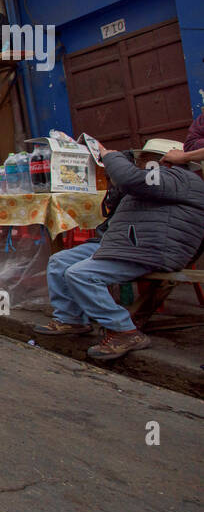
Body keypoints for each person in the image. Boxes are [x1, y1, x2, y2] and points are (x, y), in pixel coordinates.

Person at [35, 138, 204, 361]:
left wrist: (110, 156)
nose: (140, 162)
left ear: (164, 160)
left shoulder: (179, 177)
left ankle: (124, 330)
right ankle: (71, 319)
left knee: (81, 275)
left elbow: (129, 179)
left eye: (145, 158)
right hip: (127, 244)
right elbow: (122, 193)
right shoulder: (153, 182)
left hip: (150, 249)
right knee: (60, 261)